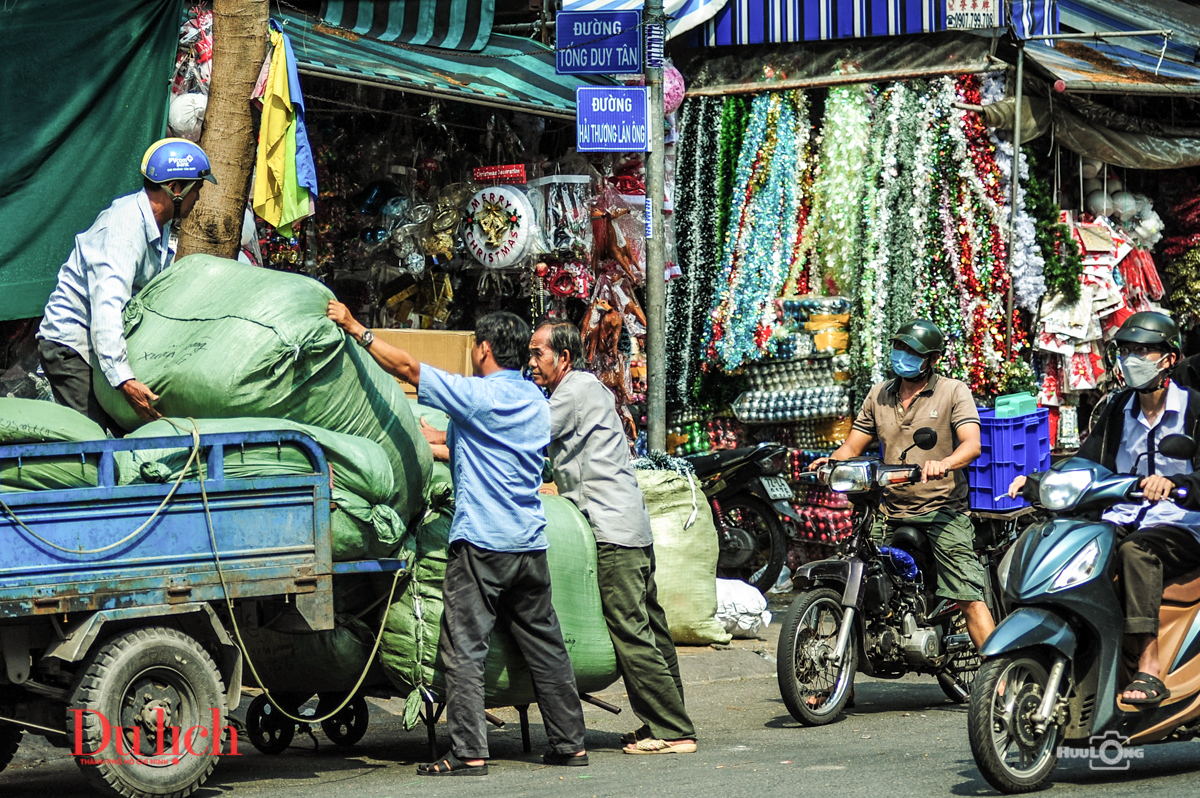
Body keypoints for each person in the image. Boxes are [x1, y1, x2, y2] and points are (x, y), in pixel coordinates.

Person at [325, 301, 588, 776]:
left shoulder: (477, 395)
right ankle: (570, 743)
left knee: (463, 646)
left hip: (483, 546)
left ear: (483, 349)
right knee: (546, 646)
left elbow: (406, 366)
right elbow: (472, 441)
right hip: (529, 544)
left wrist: (355, 328)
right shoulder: (533, 400)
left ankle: (469, 751)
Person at [1009, 311, 1200, 705]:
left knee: (1136, 553)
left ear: (1169, 358)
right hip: (1122, 516)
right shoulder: (1117, 409)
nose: (1132, 359)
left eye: (1143, 351)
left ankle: (1149, 665)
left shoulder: (1195, 409)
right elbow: (1086, 460)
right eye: (1127, 350)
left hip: (1181, 525)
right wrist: (1037, 482)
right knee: (1074, 545)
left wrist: (1177, 484)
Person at [528, 320, 697, 756]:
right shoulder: (590, 389)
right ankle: (667, 719)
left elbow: (529, 436)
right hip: (631, 527)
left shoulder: (573, 389)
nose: (531, 364)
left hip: (611, 532)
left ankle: (673, 730)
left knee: (630, 631)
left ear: (563, 357)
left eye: (537, 354)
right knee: (653, 631)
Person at [811, 319, 992, 649]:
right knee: (856, 582)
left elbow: (971, 445)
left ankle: (1001, 683)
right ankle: (839, 685)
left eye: (912, 352)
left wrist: (945, 463)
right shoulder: (879, 394)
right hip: (888, 508)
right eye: (899, 348)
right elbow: (853, 446)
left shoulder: (954, 391)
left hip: (941, 510)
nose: (902, 355)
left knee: (968, 595)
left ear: (932, 359)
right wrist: (831, 463)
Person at [37, 138, 217, 429]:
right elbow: (108, 306)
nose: (199, 197)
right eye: (197, 188)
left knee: (121, 437)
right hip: (72, 346)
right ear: (175, 189)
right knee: (94, 442)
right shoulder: (125, 232)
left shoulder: (160, 224)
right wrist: (124, 379)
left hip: (97, 348)